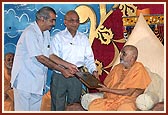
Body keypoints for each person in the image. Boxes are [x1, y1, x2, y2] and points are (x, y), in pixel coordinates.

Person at [10, 6, 78, 111]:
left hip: (37, 83)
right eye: (52, 20)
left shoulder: (46, 33)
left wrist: (68, 65)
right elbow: (40, 58)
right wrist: (62, 70)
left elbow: (50, 56)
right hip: (24, 82)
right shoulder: (30, 33)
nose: (54, 24)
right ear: (42, 19)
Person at [50, 10, 99, 111]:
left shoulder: (83, 38)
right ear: (65, 22)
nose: (75, 23)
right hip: (60, 74)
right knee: (57, 104)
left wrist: (93, 71)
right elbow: (52, 57)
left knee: (74, 105)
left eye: (77, 21)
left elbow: (89, 58)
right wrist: (66, 67)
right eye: (71, 21)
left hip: (77, 75)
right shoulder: (58, 37)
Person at [88, 45, 151, 111]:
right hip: (111, 100)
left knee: (125, 108)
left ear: (132, 58)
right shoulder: (117, 67)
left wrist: (107, 90)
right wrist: (96, 83)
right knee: (93, 106)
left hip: (128, 100)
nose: (120, 56)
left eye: (124, 54)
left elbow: (129, 92)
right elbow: (107, 85)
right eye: (121, 53)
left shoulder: (138, 68)